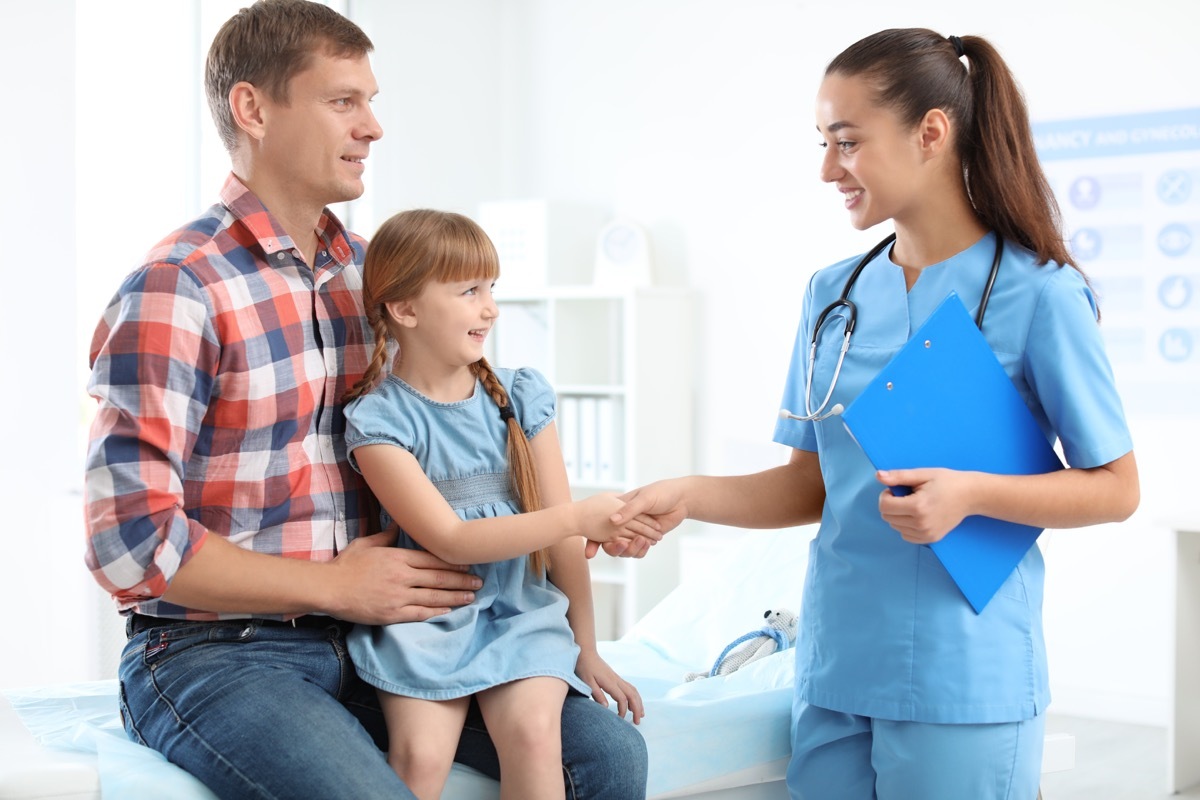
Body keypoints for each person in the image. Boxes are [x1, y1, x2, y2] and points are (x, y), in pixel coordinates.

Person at [83, 2, 649, 798]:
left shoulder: (376, 279)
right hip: (219, 650)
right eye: (344, 101)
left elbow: (466, 423)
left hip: (383, 632)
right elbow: (129, 543)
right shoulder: (179, 288)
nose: (373, 126)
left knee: (608, 758)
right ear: (253, 108)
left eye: (371, 101)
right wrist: (332, 587)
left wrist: (554, 533)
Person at [613, 27, 1140, 800]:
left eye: (847, 142)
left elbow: (1116, 487)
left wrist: (972, 494)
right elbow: (811, 486)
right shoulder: (833, 296)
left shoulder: (1040, 295)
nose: (828, 168)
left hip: (965, 675)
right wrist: (687, 494)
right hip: (835, 669)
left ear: (931, 132)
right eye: (824, 144)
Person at [340, 208, 651, 799]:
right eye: (469, 291)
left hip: (521, 615)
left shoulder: (520, 396)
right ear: (404, 310)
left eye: (491, 288)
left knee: (536, 736)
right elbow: (450, 539)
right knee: (420, 758)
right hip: (427, 617)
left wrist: (586, 648)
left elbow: (563, 543)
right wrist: (580, 516)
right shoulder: (378, 419)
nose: (491, 308)